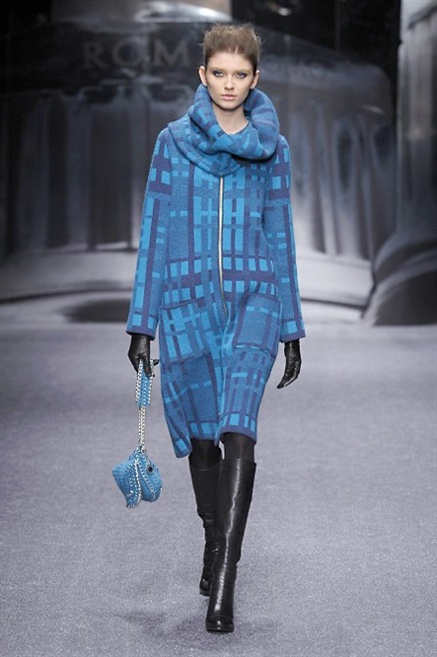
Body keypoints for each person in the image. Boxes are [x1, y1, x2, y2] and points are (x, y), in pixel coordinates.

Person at [126, 23, 305, 633]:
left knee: (239, 433)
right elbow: (154, 233)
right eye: (220, 73)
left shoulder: (274, 149)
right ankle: (212, 535)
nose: (230, 84)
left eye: (241, 75)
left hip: (256, 300)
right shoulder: (172, 144)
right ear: (202, 76)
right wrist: (143, 322)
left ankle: (224, 577)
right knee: (203, 441)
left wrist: (290, 325)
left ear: (255, 80)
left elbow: (280, 235)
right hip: (186, 303)